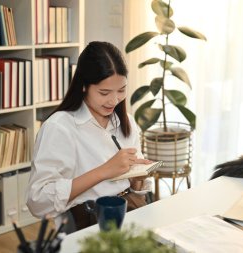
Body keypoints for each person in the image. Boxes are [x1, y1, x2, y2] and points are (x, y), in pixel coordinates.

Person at [26, 41, 152, 232]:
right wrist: (104, 171)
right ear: (84, 86)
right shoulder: (59, 127)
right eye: (104, 92)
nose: (114, 100)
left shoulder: (126, 121)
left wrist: (137, 179)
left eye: (121, 90)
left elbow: (137, 190)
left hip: (130, 215)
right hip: (89, 225)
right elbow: (38, 201)